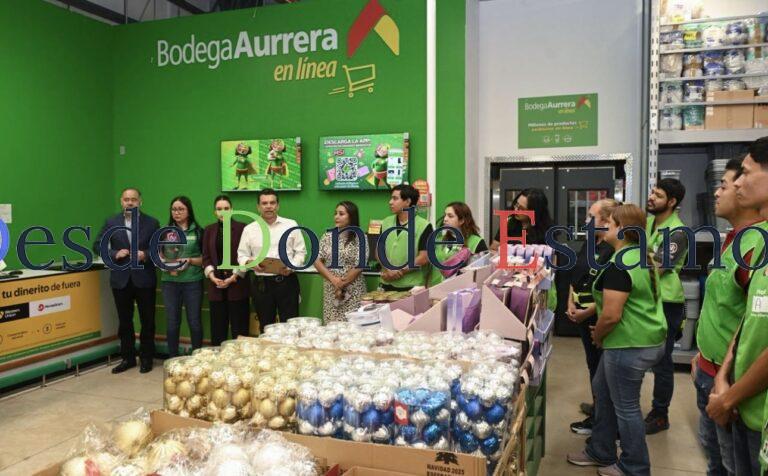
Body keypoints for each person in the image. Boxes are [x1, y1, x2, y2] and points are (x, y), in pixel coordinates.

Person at [567, 204, 667, 476]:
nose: (604, 225)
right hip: (644, 338)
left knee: (626, 407)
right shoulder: (638, 255)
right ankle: (601, 449)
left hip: (629, 343)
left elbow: (611, 315)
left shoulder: (621, 265)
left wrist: (598, 335)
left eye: (609, 222)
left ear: (622, 229)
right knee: (602, 388)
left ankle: (635, 466)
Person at [694, 157, 764, 476]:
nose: (719, 192)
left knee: (730, 465)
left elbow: (755, 325)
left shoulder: (757, 245)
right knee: (716, 459)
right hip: (713, 371)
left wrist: (728, 389)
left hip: (734, 386)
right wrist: (703, 357)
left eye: (724, 185)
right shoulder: (735, 238)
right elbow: (729, 309)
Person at [567, 198, 620, 436]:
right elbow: (576, 274)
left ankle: (604, 421)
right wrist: (570, 302)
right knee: (593, 365)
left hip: (597, 318)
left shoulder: (612, 249)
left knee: (603, 370)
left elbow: (609, 295)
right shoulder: (590, 242)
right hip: (581, 315)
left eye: (591, 216)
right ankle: (599, 410)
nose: (586, 220)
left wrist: (586, 312)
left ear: (606, 221)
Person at [94, 188, 159, 374]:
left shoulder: (152, 222)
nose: (130, 202)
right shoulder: (111, 222)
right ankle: (127, 358)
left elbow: (158, 248)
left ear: (140, 202)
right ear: (121, 202)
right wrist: (114, 253)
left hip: (144, 278)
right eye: (126, 199)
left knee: (148, 320)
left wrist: (145, 254)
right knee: (124, 321)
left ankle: (146, 358)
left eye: (134, 199)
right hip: (121, 279)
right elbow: (97, 245)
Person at [645, 177, 689, 434]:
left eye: (658, 195)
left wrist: (643, 258)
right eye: (652, 192)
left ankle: (660, 414)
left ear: (671, 202)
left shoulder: (678, 232)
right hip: (647, 298)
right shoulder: (648, 223)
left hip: (667, 302)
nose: (651, 197)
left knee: (662, 360)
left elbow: (658, 267)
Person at [238, 188, 306, 330]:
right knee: (266, 326)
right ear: (258, 207)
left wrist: (291, 266)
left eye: (272, 203)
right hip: (261, 285)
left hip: (286, 281)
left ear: (278, 205)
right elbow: (242, 256)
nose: (268, 206)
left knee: (291, 327)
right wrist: (251, 263)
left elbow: (301, 252)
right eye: (264, 203)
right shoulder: (249, 229)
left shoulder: (291, 225)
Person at [202, 195, 250, 346]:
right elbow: (206, 257)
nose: (223, 212)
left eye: (226, 208)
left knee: (240, 332)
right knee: (218, 333)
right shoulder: (209, 230)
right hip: (216, 287)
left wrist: (234, 276)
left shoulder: (243, 228)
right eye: (219, 209)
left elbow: (247, 256)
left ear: (232, 210)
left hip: (238, 286)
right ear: (215, 212)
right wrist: (211, 276)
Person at [159, 196, 204, 357]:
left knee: (194, 321)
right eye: (174, 209)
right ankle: (173, 358)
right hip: (170, 283)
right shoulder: (164, 232)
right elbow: (158, 256)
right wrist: (165, 264)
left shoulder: (198, 232)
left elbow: (205, 259)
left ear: (188, 211)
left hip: (193, 282)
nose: (177, 212)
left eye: (181, 209)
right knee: (172, 322)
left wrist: (189, 260)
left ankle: (197, 357)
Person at [314, 201, 369, 323]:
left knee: (353, 327)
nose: (336, 217)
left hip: (353, 290)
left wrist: (342, 284)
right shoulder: (327, 236)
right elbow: (317, 261)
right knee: (332, 327)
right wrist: (334, 280)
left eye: (341, 214)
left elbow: (360, 264)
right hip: (331, 290)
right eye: (336, 213)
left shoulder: (360, 237)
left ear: (351, 217)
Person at [378, 184, 434, 291]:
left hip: (412, 286)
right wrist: (388, 269)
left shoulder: (424, 226)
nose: (390, 202)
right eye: (391, 198)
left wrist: (400, 271)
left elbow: (424, 257)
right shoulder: (386, 222)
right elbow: (378, 250)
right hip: (386, 283)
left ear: (408, 202)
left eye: (395, 198)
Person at [489, 188, 554, 251]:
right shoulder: (509, 222)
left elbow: (552, 255)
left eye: (521, 209)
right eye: (516, 204)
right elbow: (493, 249)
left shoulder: (548, 230)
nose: (515, 210)